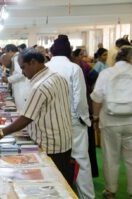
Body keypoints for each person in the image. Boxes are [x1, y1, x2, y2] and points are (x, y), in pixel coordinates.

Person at [0, 48, 73, 185]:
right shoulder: (57, 77)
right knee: (61, 181)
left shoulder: (40, 86)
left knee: (51, 184)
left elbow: (26, 118)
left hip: (50, 144)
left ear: (33, 62)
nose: (22, 72)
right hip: (64, 141)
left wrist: (1, 132)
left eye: (23, 67)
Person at [46, 35, 95, 199]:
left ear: (52, 51)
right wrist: (84, 119)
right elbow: (80, 98)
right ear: (69, 51)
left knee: (52, 161)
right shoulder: (74, 68)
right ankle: (87, 196)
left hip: (51, 122)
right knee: (81, 159)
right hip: (73, 121)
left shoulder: (45, 67)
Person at [91, 45, 132, 199]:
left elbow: (97, 98)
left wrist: (95, 118)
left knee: (110, 156)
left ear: (115, 58)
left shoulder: (106, 73)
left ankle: (111, 191)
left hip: (110, 121)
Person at [72, 48, 99, 178]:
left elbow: (95, 77)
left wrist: (89, 88)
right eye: (81, 54)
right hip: (82, 107)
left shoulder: (82, 66)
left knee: (84, 149)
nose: (83, 56)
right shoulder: (78, 66)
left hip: (83, 106)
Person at [1, 44, 28, 111]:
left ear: (10, 51)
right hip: (20, 87)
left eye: (6, 53)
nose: (6, 55)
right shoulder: (16, 57)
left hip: (21, 88)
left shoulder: (17, 58)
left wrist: (8, 79)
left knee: (21, 110)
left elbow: (21, 74)